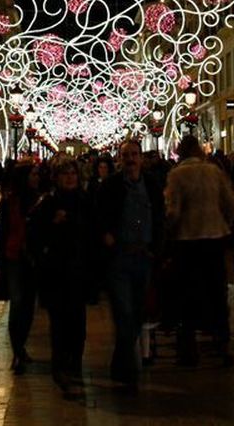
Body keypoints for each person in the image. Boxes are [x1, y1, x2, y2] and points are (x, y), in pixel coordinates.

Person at [94, 140, 163, 393]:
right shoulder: (111, 186)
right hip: (119, 258)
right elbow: (98, 214)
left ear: (141, 158)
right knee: (124, 313)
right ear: (120, 159)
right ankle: (129, 371)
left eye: (135, 154)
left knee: (136, 314)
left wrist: (157, 249)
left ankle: (119, 362)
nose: (131, 159)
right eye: (126, 155)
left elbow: (160, 216)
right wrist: (105, 235)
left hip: (144, 257)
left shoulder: (152, 184)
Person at [163, 136, 234, 367]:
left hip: (187, 241)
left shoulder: (176, 175)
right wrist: (223, 223)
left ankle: (188, 349)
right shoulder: (214, 172)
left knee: (186, 294)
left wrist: (167, 234)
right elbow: (230, 204)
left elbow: (173, 211)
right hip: (215, 238)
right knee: (217, 292)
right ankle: (222, 344)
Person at [29, 159, 90, 397]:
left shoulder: (85, 201)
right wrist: (53, 224)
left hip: (79, 271)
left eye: (73, 173)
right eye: (65, 173)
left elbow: (91, 231)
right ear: (56, 177)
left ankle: (74, 365)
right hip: (56, 273)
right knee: (60, 324)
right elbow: (35, 237)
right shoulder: (48, 203)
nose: (70, 177)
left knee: (78, 325)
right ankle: (62, 368)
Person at [0, 163, 44, 374]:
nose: (37, 177)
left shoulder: (40, 200)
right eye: (33, 174)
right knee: (18, 303)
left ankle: (20, 345)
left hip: (33, 259)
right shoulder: (9, 202)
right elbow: (1, 232)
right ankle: (16, 350)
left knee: (29, 306)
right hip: (13, 258)